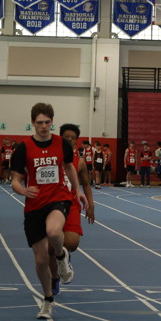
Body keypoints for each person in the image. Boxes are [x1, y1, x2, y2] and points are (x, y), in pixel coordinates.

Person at [10, 103, 86, 320]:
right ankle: (48, 300)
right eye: (39, 122)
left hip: (58, 198)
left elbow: (69, 167)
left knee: (54, 231)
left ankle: (61, 257)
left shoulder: (62, 144)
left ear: (52, 122)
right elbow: (14, 181)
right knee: (41, 260)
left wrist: (77, 190)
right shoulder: (23, 148)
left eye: (47, 122)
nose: (43, 126)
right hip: (35, 205)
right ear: (32, 123)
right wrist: (23, 190)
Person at [49, 123, 96, 295]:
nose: (69, 140)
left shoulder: (80, 162)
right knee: (50, 248)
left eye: (73, 138)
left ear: (77, 141)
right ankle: (54, 278)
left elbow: (86, 185)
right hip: (51, 204)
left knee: (72, 243)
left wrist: (91, 205)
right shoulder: (51, 158)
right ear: (60, 138)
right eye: (66, 137)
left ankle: (65, 257)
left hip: (72, 205)